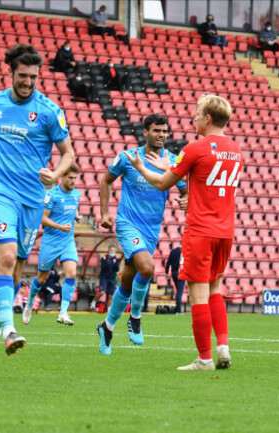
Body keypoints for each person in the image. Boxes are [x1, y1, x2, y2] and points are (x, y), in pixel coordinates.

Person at [0, 43, 75, 369]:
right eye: (22, 75)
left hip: (33, 198)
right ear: (10, 71)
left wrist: (56, 174)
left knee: (18, 270)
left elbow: (69, 154)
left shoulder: (49, 111)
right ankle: (9, 330)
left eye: (33, 77)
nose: (28, 82)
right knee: (5, 256)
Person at [125, 93, 241, 371]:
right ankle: (222, 346)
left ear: (208, 118)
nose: (194, 119)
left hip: (200, 230)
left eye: (198, 114)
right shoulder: (235, 148)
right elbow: (205, 180)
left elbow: (164, 184)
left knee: (197, 293)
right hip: (225, 230)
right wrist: (176, 169)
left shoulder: (195, 148)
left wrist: (141, 167)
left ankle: (204, 359)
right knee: (216, 288)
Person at [96, 113, 187, 355]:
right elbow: (106, 181)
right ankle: (135, 317)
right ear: (145, 132)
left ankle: (106, 326)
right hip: (127, 224)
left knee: (127, 281)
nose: (162, 135)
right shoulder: (127, 158)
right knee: (148, 269)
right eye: (157, 130)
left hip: (151, 230)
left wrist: (187, 199)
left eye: (165, 131)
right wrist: (104, 213)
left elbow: (187, 188)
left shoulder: (172, 162)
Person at [23, 165, 82, 326]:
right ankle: (29, 304)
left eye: (75, 178)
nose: (73, 181)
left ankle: (63, 312)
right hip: (51, 241)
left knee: (71, 274)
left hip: (67, 241)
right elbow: (43, 219)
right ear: (61, 177)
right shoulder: (51, 196)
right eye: (70, 178)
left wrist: (76, 217)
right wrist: (60, 227)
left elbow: (73, 209)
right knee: (42, 278)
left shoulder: (77, 195)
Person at [165, 245, 185, 314]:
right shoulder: (183, 252)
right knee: (179, 292)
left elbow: (168, 263)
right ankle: (178, 310)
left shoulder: (173, 251)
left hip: (174, 273)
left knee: (178, 291)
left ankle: (178, 308)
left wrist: (167, 272)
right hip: (181, 273)